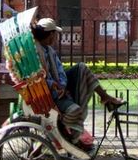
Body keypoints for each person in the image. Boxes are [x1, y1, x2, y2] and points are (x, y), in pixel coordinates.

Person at [32, 18, 122, 149]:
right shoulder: (36, 52)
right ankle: (72, 138)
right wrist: (54, 85)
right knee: (76, 111)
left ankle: (104, 96)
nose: (56, 37)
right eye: (55, 34)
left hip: (59, 88)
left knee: (82, 68)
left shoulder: (49, 51)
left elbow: (60, 71)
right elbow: (38, 76)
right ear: (51, 34)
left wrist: (62, 85)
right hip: (49, 93)